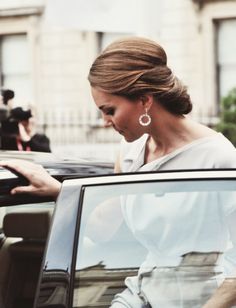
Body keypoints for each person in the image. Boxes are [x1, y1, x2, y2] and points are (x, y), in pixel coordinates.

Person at [0, 37, 236, 307]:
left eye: (109, 110)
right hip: (141, 294)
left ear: (145, 100)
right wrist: (57, 191)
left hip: (205, 300)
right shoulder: (129, 152)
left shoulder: (219, 156)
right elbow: (104, 227)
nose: (105, 122)